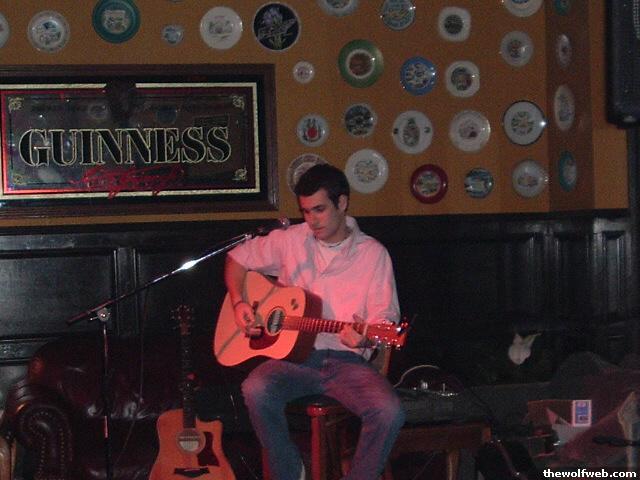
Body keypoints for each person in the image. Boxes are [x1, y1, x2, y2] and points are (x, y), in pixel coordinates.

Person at [223, 164, 405, 480]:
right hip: (295, 359)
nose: (311, 220)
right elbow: (236, 259)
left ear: (342, 203)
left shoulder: (373, 254)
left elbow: (383, 318)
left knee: (389, 411)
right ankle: (289, 471)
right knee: (255, 388)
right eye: (305, 211)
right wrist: (239, 302)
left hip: (348, 363)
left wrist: (365, 337)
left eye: (319, 210)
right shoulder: (291, 240)